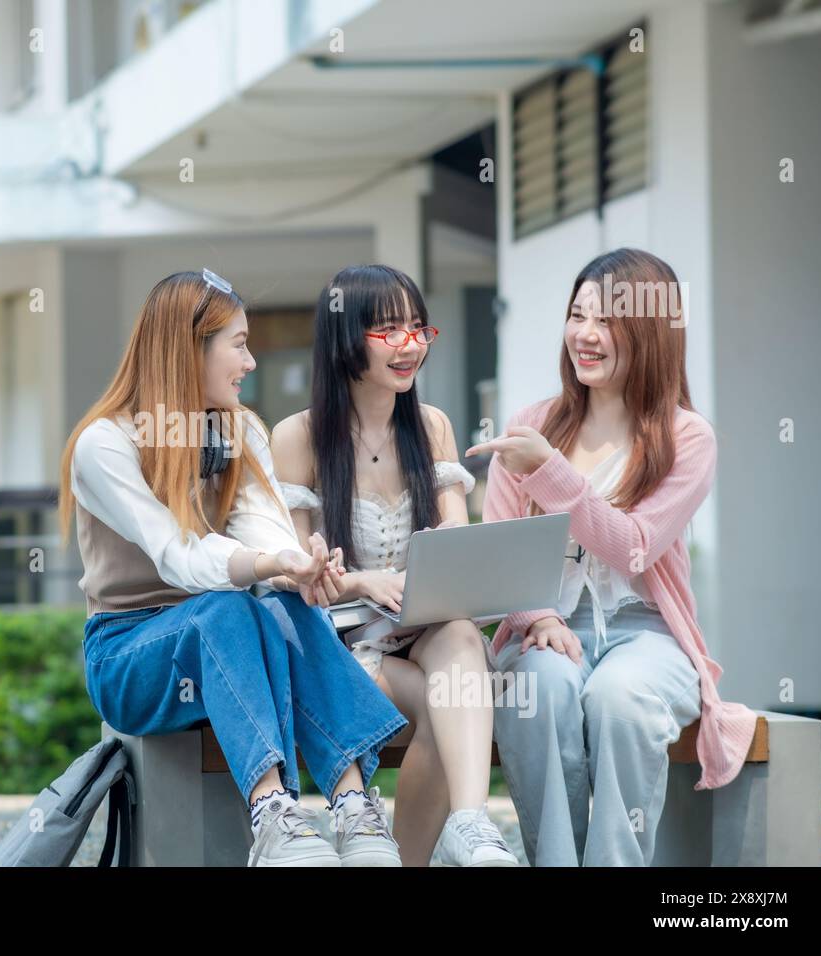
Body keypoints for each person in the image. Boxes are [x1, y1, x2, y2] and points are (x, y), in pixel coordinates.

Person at [59, 269, 408, 866]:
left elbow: (265, 531)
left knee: (280, 601)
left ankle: (352, 806)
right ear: (188, 347)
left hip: (231, 635)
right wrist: (273, 562)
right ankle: (274, 815)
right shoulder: (105, 444)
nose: (250, 362)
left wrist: (300, 565)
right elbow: (181, 556)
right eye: (240, 344)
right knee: (227, 607)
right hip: (129, 651)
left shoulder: (239, 428)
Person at [468, 248, 757, 866]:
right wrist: (536, 616)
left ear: (650, 331)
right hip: (542, 631)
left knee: (621, 698)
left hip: (648, 637)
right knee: (540, 689)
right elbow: (497, 551)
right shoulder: (531, 424)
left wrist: (549, 471)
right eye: (577, 315)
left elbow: (631, 545)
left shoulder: (686, 437)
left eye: (606, 321)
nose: (586, 335)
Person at [272, 264, 517, 866]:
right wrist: (361, 581)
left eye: (417, 328)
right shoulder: (297, 437)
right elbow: (289, 571)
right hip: (343, 644)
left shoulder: (431, 427)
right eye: (388, 330)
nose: (410, 345)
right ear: (345, 337)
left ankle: (471, 827)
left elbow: (458, 541)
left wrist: (436, 585)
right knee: (443, 707)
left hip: (425, 627)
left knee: (461, 635)